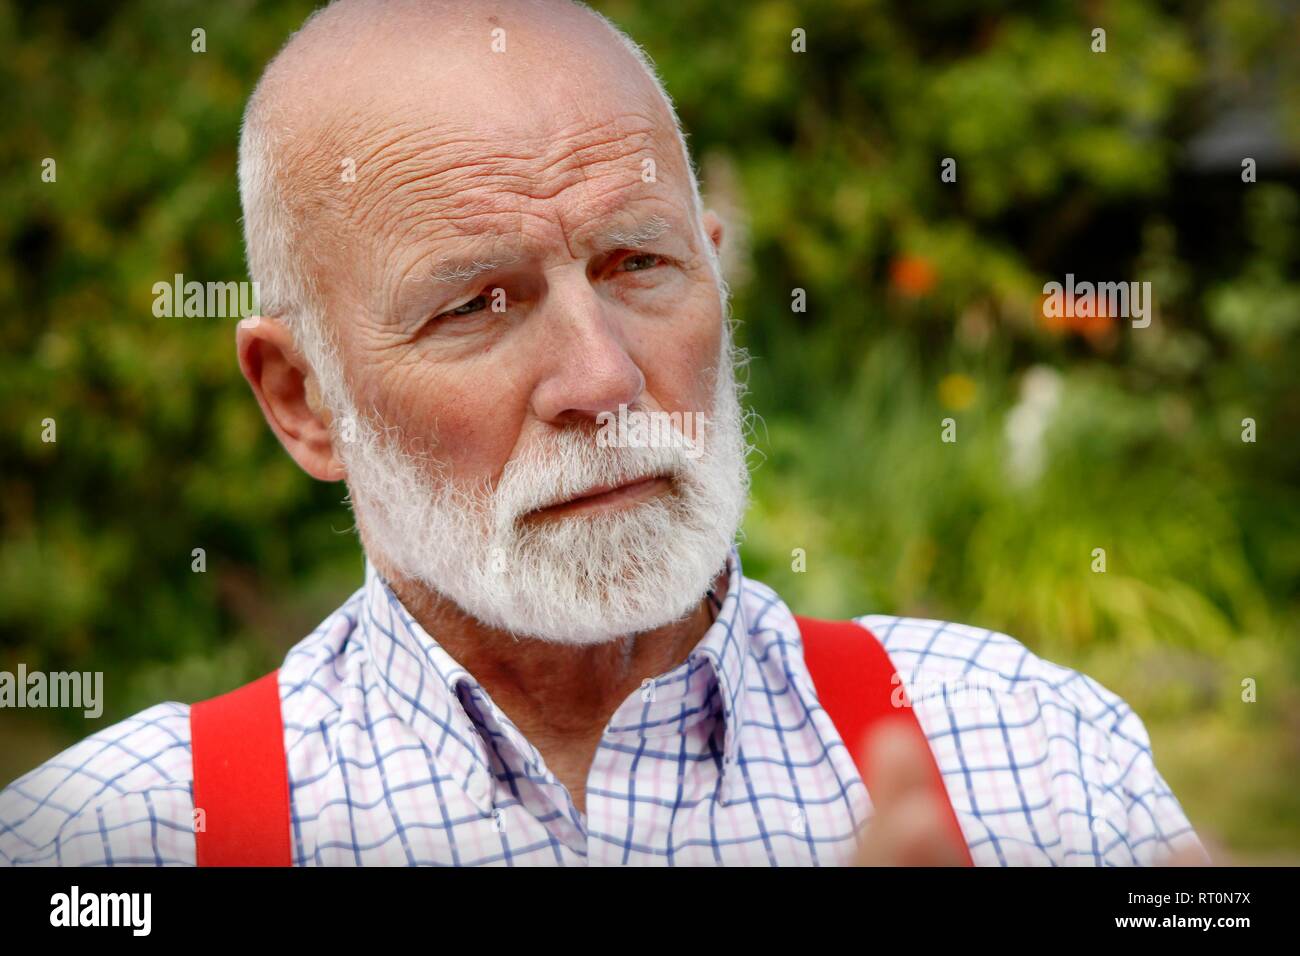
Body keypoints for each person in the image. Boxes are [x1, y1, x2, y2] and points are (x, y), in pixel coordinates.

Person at [0, 0, 1209, 866]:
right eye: (477, 302)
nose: (602, 375)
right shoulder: (119, 837)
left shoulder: (1031, 758)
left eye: (638, 263)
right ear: (302, 399)